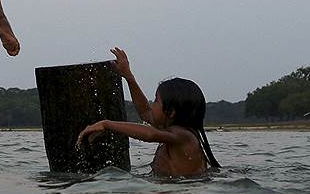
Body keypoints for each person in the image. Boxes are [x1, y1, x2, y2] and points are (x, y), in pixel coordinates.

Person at [76, 47, 220, 177]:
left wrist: (106, 124)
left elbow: (150, 134)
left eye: (156, 101)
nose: (152, 105)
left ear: (171, 112)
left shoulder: (184, 136)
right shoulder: (169, 131)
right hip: (174, 189)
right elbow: (145, 112)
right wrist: (128, 77)